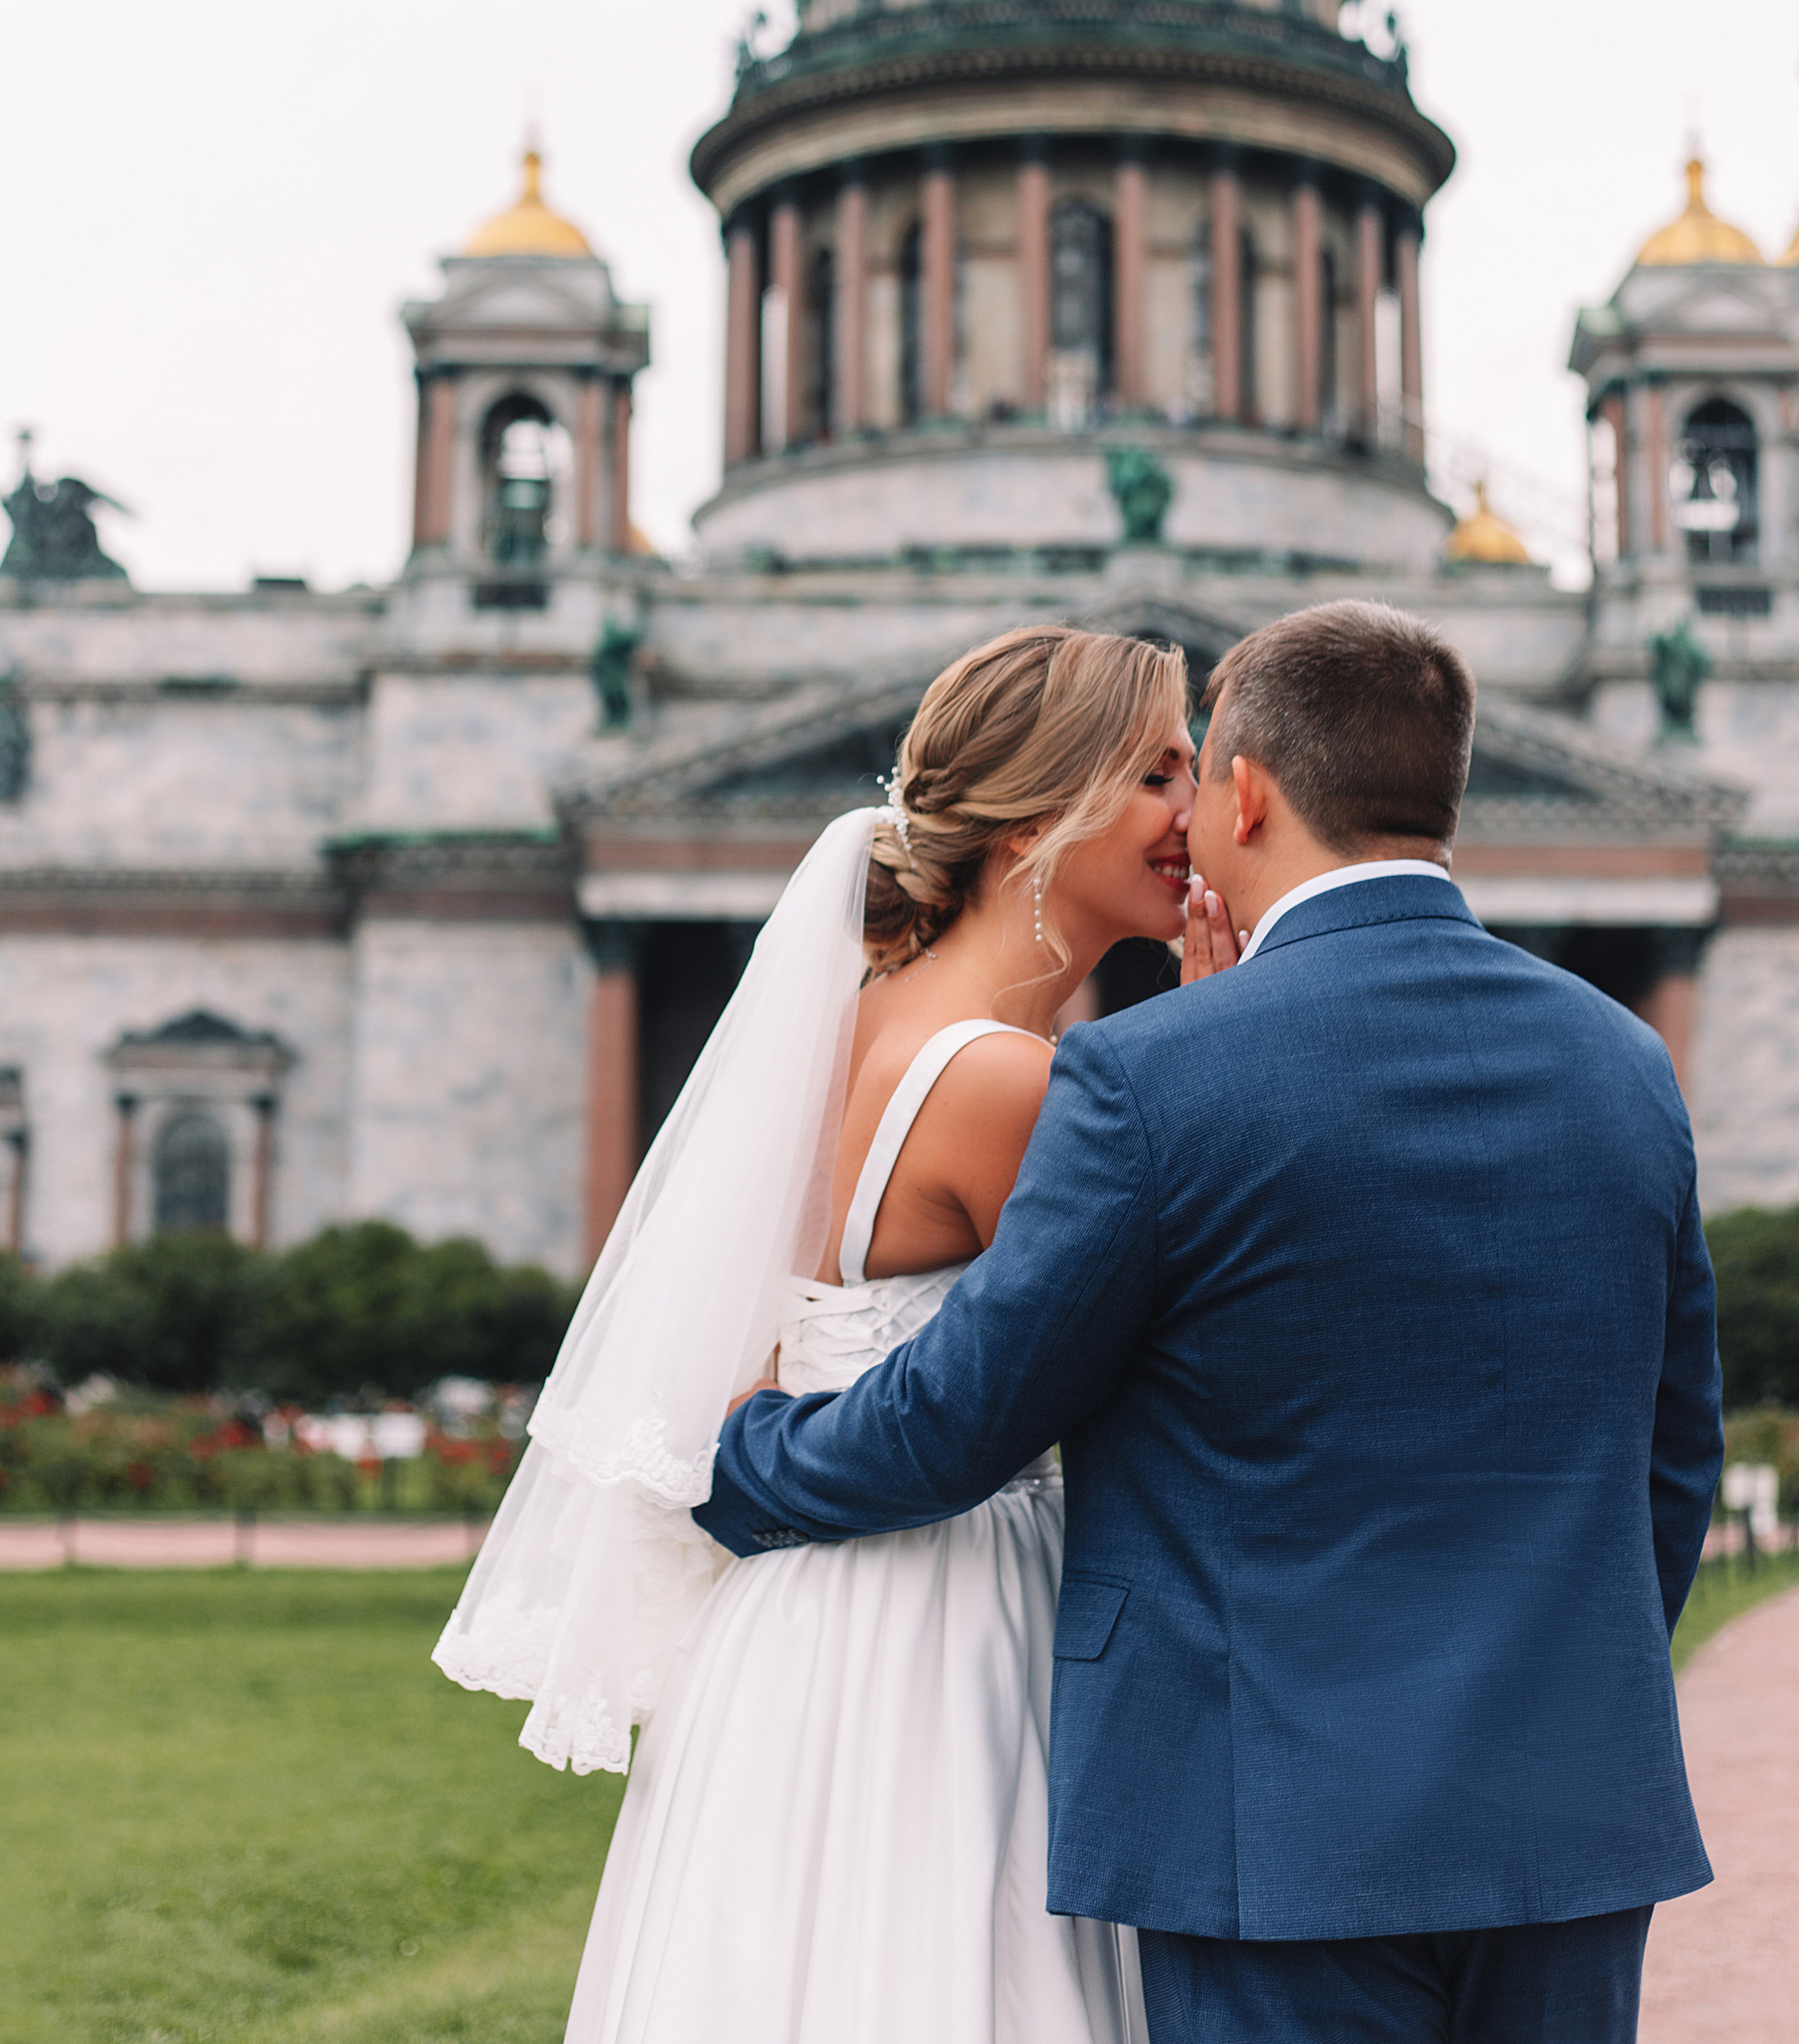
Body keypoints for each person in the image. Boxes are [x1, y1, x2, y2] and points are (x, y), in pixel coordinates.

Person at [697, 599, 1725, 2044]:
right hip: (1560, 1811)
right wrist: (1564, 1685)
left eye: (1193, 771)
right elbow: (1674, 1456)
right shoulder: (1623, 1064)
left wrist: (740, 1461)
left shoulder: (1142, 1080)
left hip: (1266, 1817)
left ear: (1245, 790)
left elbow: (967, 1413)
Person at [436, 621, 1221, 2043]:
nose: (1203, 806)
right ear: (1041, 814)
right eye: (1162, 770)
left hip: (796, 1630)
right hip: (951, 1627)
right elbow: (1185, 1385)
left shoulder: (856, 1024)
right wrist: (1226, 1026)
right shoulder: (1008, 1086)